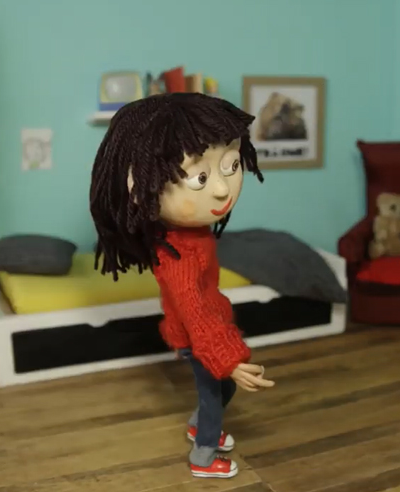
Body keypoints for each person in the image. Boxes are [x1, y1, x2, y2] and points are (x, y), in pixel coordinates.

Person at [89, 92, 276, 479]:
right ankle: (203, 456)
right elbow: (196, 313)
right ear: (139, 187)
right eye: (199, 178)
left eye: (231, 165)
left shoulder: (193, 236)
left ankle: (198, 426)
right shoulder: (177, 256)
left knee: (221, 391)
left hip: (209, 330)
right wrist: (229, 359)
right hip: (198, 338)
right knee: (214, 395)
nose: (222, 189)